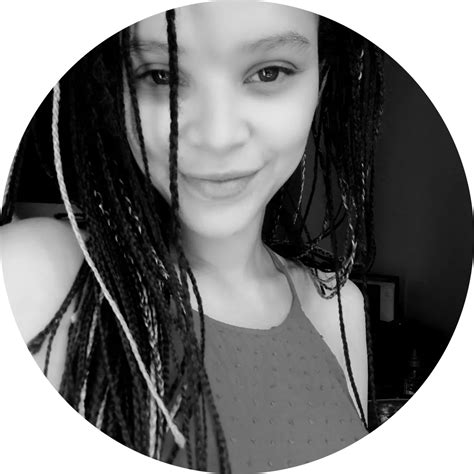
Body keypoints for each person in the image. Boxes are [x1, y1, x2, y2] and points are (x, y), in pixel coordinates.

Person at [0, 2, 384, 472]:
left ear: (318, 87)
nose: (218, 137)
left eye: (269, 72)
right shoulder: (33, 277)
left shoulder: (338, 307)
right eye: (161, 76)